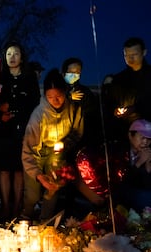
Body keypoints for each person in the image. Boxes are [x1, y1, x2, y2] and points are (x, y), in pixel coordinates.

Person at [21, 69, 103, 222]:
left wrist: (64, 144)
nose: (55, 100)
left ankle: (45, 222)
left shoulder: (74, 109)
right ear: (45, 95)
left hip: (58, 154)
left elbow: (77, 132)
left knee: (53, 188)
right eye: (50, 97)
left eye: (58, 96)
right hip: (37, 153)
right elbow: (28, 150)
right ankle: (26, 217)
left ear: (65, 92)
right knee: (32, 193)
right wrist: (38, 175)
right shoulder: (38, 115)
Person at [0, 41, 40, 220]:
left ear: (22, 57)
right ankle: (6, 205)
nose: (12, 57)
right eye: (8, 54)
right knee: (4, 169)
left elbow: (34, 102)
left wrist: (13, 109)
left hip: (22, 129)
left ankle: (17, 206)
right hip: (3, 130)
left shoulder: (29, 79)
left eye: (16, 54)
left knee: (19, 169)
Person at [108, 37, 151, 142]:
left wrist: (135, 109)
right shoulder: (119, 79)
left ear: (144, 52)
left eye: (134, 55)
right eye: (126, 55)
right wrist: (114, 110)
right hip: (125, 131)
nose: (130, 59)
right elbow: (111, 101)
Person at [61, 57, 101, 148]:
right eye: (71, 72)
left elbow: (93, 112)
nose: (74, 75)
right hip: (59, 135)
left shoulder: (85, 92)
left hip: (81, 137)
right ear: (64, 73)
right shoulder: (58, 90)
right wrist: (68, 98)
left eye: (77, 72)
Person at [114, 119, 151, 212]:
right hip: (120, 195)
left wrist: (147, 166)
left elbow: (146, 184)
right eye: (142, 137)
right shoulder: (120, 152)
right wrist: (139, 163)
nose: (145, 142)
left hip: (139, 194)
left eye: (149, 139)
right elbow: (121, 182)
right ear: (130, 135)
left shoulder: (147, 153)